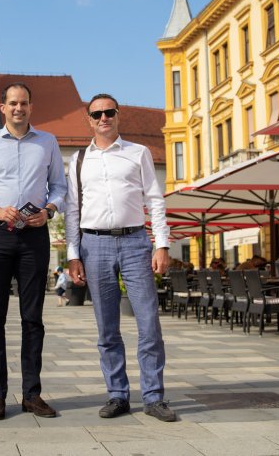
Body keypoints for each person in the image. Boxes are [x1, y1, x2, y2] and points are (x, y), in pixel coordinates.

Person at [65, 93, 176, 422]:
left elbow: (155, 200)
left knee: (148, 323)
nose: (103, 118)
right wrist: (73, 255)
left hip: (134, 242)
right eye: (97, 113)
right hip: (94, 244)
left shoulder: (138, 153)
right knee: (107, 329)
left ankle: (153, 396)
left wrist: (162, 244)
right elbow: (72, 210)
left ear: (118, 115)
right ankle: (117, 394)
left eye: (109, 112)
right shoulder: (79, 159)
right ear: (89, 119)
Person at [0, 82, 67, 420]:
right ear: (2, 107)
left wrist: (49, 210)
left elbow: (61, 187)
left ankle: (32, 394)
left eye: (24, 103)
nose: (18, 108)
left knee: (32, 318)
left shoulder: (48, 142)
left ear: (31, 107)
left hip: (34, 235)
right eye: (12, 103)